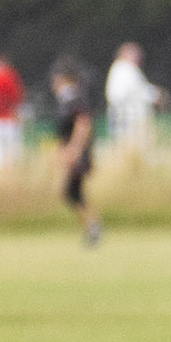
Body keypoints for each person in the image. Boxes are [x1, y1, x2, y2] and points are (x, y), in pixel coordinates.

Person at [51, 58, 102, 247]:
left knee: (72, 192)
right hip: (75, 151)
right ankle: (91, 227)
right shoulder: (67, 101)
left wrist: (74, 148)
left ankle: (93, 226)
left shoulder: (74, 100)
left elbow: (83, 124)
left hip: (79, 153)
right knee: (73, 193)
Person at [105, 43, 162, 153]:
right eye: (136, 54)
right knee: (134, 149)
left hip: (126, 118)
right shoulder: (125, 69)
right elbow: (139, 90)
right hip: (130, 119)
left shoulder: (121, 69)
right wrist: (157, 95)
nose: (139, 58)